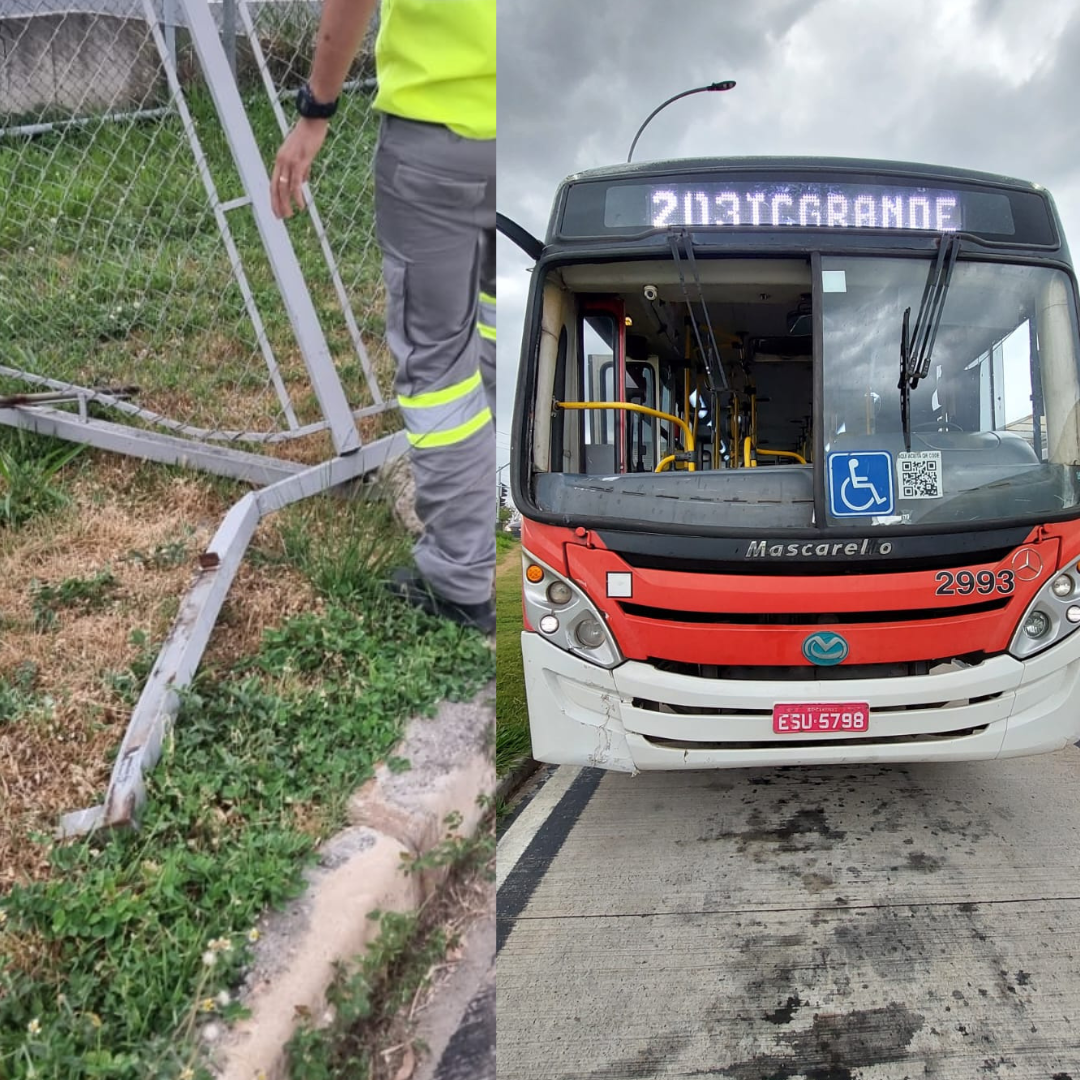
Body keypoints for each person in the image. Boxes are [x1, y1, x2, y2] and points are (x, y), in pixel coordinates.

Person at [270, 0, 496, 635]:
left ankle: (463, 575)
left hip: (437, 132)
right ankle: (517, 534)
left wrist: (315, 110)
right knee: (508, 337)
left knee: (440, 372)